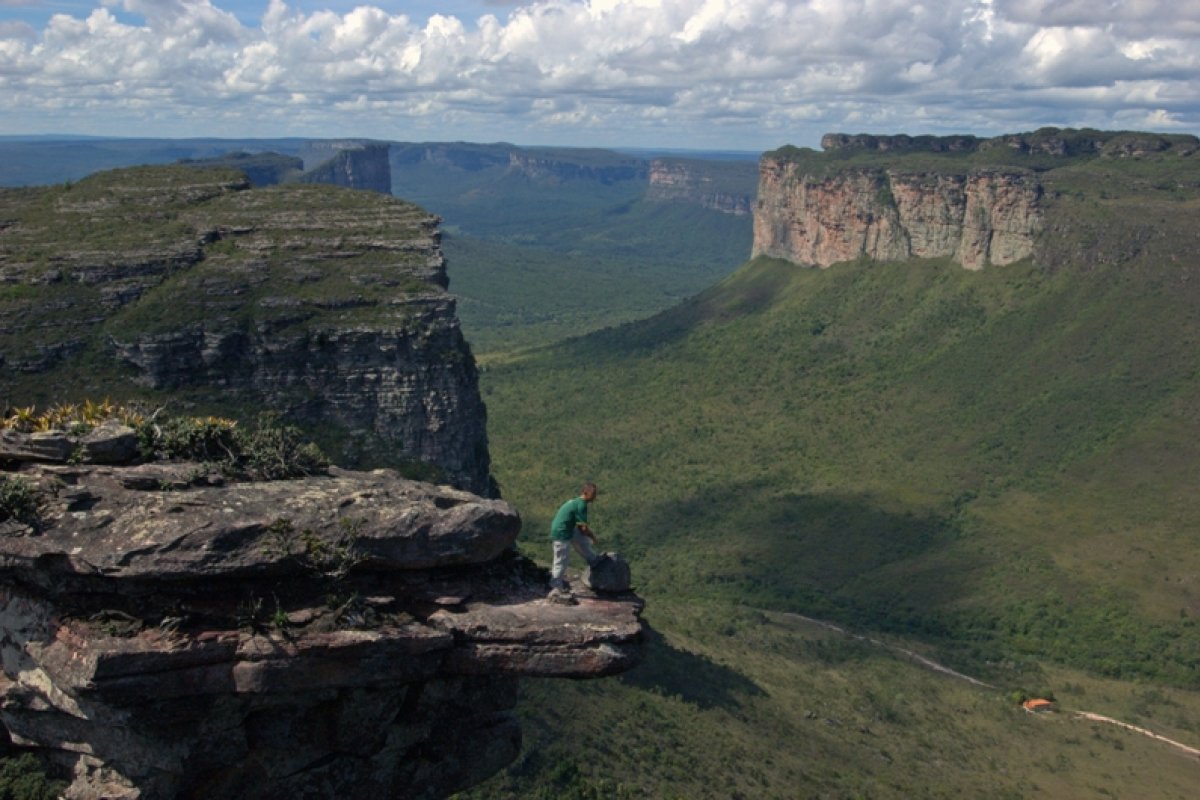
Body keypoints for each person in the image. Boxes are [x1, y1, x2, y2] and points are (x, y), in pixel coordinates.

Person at [548, 481, 601, 601]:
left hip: (567, 529)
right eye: (592, 494)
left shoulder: (576, 502)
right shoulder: (581, 505)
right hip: (561, 533)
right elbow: (583, 528)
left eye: (595, 494)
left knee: (579, 539)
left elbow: (580, 530)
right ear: (585, 493)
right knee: (561, 560)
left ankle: (592, 558)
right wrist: (593, 537)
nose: (594, 497)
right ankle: (555, 586)